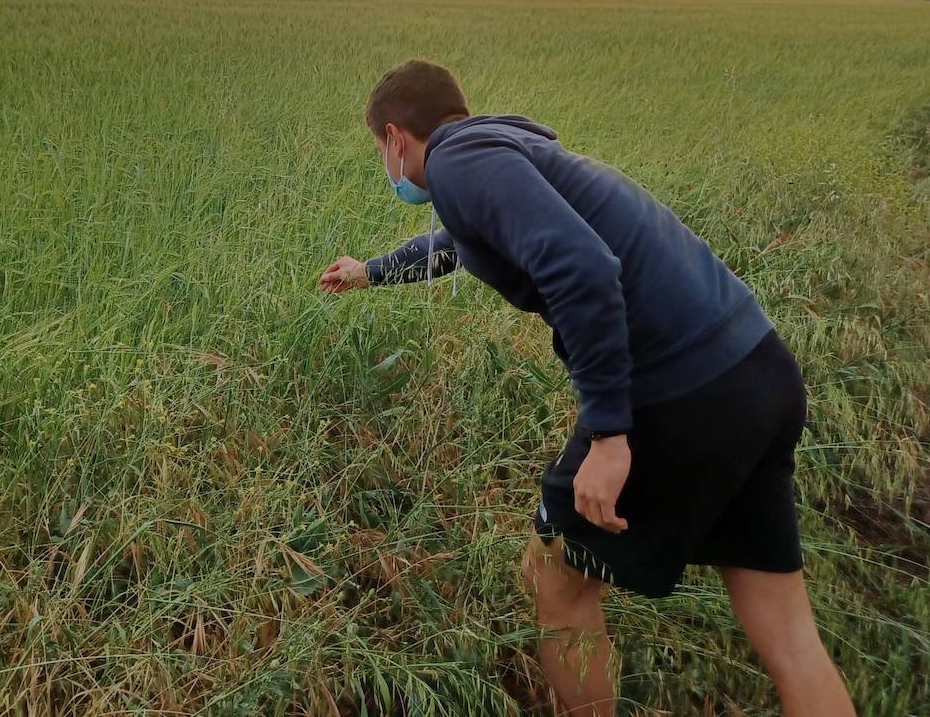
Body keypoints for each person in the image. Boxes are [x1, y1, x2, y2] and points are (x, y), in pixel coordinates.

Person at [318, 59, 854, 717]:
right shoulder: (506, 150)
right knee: (790, 634)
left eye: (382, 149)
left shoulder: (458, 162)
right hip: (757, 370)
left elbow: (581, 265)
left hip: (682, 390)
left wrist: (608, 432)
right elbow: (462, 241)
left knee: (555, 579)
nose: (388, 164)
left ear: (397, 137)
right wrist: (371, 270)